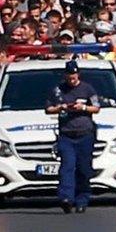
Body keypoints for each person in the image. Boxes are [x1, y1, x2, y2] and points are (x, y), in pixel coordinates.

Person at [45, 60, 100, 214]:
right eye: (69, 76)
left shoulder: (87, 89)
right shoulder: (58, 90)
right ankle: (66, 198)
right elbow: (48, 109)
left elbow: (96, 108)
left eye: (74, 76)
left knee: (83, 169)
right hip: (66, 135)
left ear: (78, 74)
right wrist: (61, 107)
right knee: (67, 167)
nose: (72, 79)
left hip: (85, 135)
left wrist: (82, 107)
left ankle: (82, 199)